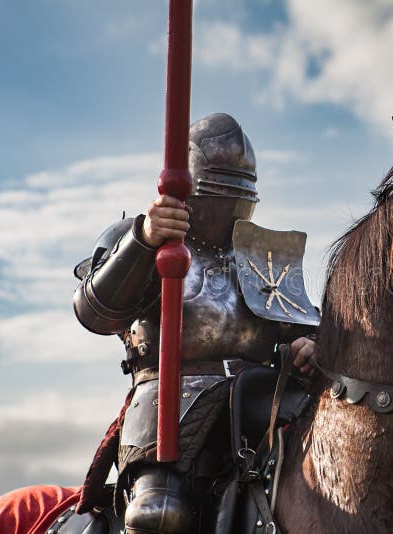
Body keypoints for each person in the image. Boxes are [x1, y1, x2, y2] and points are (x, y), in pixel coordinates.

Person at [71, 112, 319, 533]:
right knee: (159, 515)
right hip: (172, 405)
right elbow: (96, 312)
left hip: (264, 408)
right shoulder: (144, 238)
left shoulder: (262, 256)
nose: (227, 203)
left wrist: (313, 347)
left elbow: (302, 325)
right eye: (218, 189)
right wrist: (144, 240)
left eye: (235, 191)